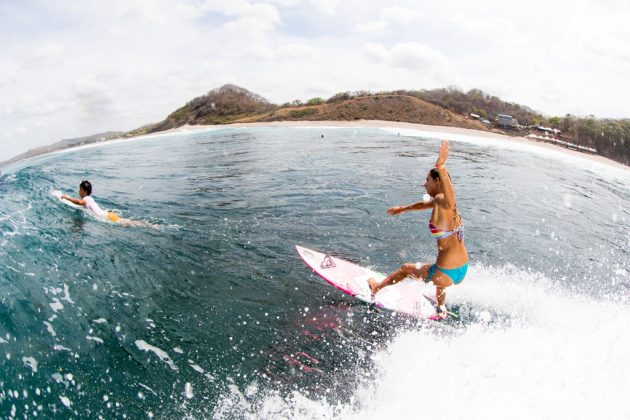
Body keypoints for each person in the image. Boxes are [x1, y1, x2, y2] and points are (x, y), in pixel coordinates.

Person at [368, 140, 468, 319]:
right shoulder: (445, 206)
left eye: (427, 180)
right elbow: (425, 203)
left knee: (406, 268)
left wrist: (441, 166)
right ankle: (440, 306)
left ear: (437, 181)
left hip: (444, 273)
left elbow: (449, 195)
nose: (424, 184)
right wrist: (403, 208)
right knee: (438, 272)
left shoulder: (447, 202)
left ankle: (376, 287)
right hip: (461, 269)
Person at [61, 180, 156, 228]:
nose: (79, 191)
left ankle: (152, 226)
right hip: (108, 214)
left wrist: (68, 198)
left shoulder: (86, 199)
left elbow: (79, 202)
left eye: (80, 189)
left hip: (108, 217)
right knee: (128, 222)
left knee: (129, 224)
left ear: (84, 191)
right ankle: (149, 225)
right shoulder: (89, 198)